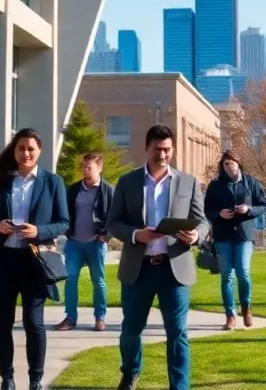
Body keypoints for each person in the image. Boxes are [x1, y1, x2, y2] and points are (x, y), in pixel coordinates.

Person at [106, 124, 209, 390]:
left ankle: (179, 386)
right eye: (157, 150)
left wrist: (197, 235)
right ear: (146, 148)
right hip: (138, 269)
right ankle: (130, 373)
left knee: (177, 333)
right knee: (130, 332)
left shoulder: (188, 182)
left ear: (172, 150)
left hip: (174, 269)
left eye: (167, 150)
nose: (162, 155)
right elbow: (113, 223)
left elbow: (204, 222)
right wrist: (135, 235)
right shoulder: (128, 182)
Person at [0, 128, 70, 390]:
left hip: (35, 261)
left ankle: (35, 380)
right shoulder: (1, 181)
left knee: (34, 322)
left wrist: (39, 231)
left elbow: (64, 222)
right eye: (21, 148)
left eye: (31, 148)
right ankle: (6, 379)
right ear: (14, 150)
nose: (26, 153)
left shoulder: (52, 182)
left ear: (39, 150)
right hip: (4, 260)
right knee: (2, 322)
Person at [202, 150, 266, 330]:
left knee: (243, 272)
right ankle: (230, 315)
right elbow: (207, 209)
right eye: (225, 163)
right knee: (226, 276)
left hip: (244, 235)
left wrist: (248, 210)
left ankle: (246, 308)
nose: (228, 166)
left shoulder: (251, 182)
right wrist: (219, 213)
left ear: (238, 163)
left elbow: (263, 205)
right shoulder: (215, 185)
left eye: (231, 162)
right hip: (223, 235)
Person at [56, 152, 116, 332]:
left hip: (96, 244)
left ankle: (100, 318)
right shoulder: (74, 189)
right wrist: (67, 230)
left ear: (100, 168)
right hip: (74, 242)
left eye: (89, 167)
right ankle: (70, 318)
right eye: (83, 166)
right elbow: (64, 212)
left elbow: (115, 216)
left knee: (98, 281)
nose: (85, 170)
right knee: (70, 278)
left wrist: (105, 235)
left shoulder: (108, 191)